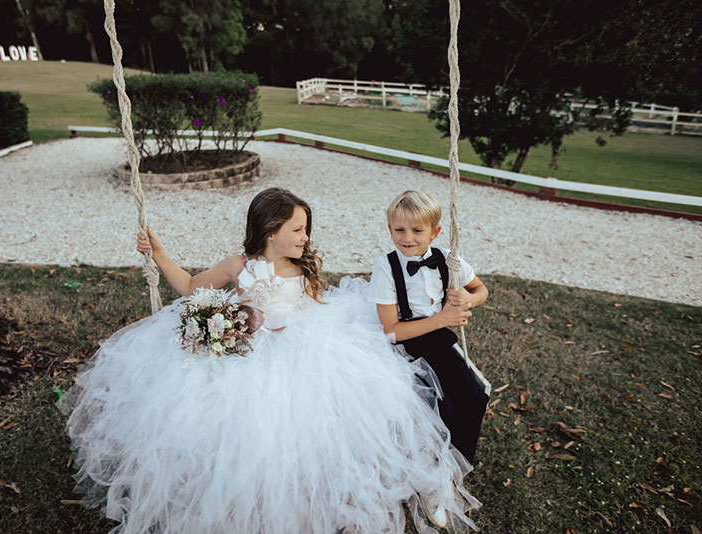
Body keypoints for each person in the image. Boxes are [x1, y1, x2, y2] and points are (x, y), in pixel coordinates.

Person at [61, 187, 480, 534]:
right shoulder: (239, 265)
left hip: (308, 343)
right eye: (297, 229)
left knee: (328, 418)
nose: (304, 238)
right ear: (270, 230)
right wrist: (158, 253)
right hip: (251, 351)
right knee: (237, 428)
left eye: (304, 230)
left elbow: (314, 307)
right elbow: (191, 286)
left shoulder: (303, 267)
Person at [370, 190, 490, 464]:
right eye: (399, 229)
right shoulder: (386, 268)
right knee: (433, 407)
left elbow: (481, 290)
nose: (407, 238)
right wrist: (443, 319)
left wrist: (469, 299)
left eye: (417, 230)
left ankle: (458, 463)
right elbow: (390, 331)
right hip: (402, 345)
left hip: (437, 340)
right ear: (390, 229)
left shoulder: (448, 259)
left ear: (434, 232)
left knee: (474, 397)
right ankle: (423, 463)